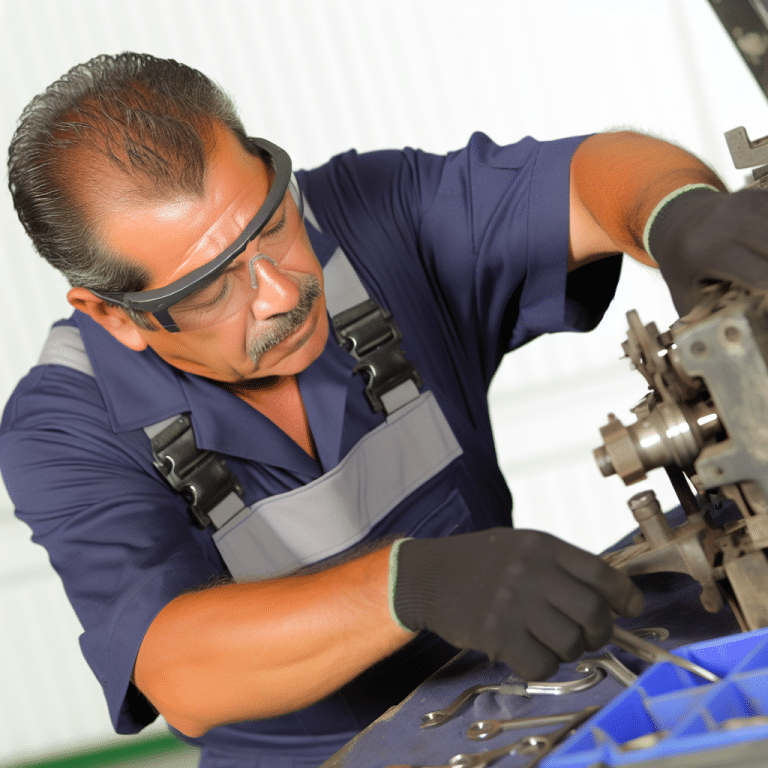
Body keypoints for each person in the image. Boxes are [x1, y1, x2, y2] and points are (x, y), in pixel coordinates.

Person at [2, 52, 767, 767]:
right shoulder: (65, 425)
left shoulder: (373, 216)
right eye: (210, 287)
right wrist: (411, 585)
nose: (281, 290)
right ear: (116, 316)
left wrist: (677, 215)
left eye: (269, 222)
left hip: (532, 683)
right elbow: (178, 670)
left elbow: (588, 178)